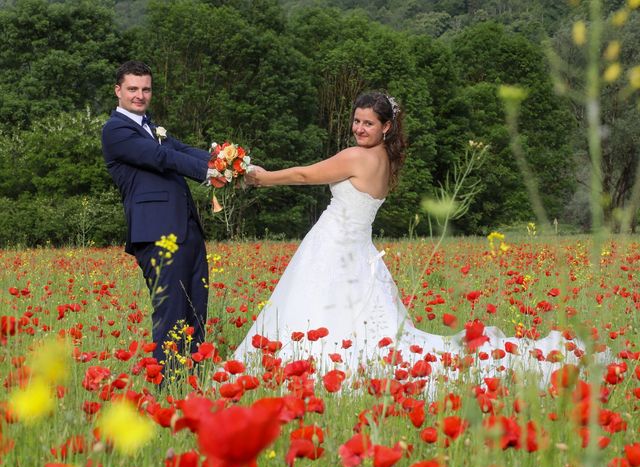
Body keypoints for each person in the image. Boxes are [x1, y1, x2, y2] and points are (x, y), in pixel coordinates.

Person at [233, 91, 589, 390]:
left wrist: (261, 178)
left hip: (336, 246)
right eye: (356, 121)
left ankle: (306, 368)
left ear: (386, 127)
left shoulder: (357, 157)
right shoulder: (385, 160)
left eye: (368, 123)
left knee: (316, 308)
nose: (359, 128)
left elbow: (304, 174)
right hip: (356, 249)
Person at [102, 60, 210, 374]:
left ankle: (194, 381)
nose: (140, 95)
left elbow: (184, 149)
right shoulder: (116, 130)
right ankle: (167, 386)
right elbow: (161, 158)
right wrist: (208, 171)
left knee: (195, 311)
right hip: (156, 233)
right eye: (133, 89)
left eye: (145, 89)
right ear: (118, 91)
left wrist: (230, 162)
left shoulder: (151, 127)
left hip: (187, 228)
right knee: (171, 312)